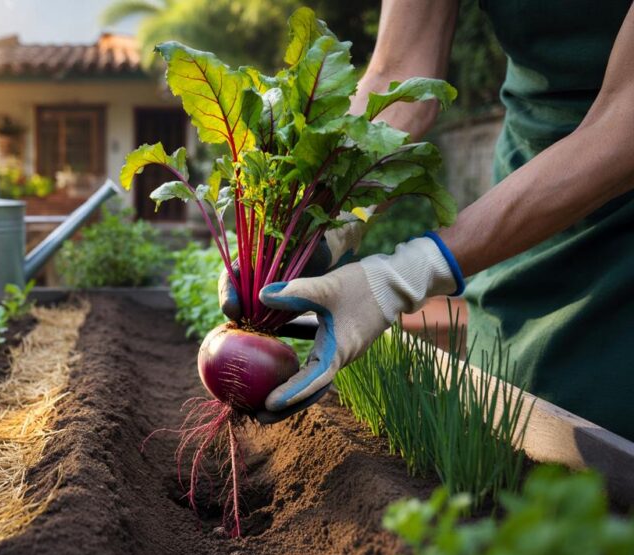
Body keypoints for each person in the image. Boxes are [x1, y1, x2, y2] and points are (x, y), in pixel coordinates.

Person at [226, 0, 634, 440]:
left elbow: (621, 128)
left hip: (618, 198)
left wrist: (400, 277)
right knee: (505, 408)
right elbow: (399, 73)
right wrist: (324, 209)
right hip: (523, 196)